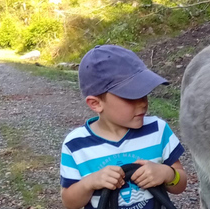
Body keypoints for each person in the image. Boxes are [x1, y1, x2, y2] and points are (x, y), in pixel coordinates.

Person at [60, 45, 187, 209]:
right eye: (131, 95)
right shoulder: (76, 145)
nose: (142, 102)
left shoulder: (158, 130)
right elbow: (69, 203)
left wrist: (167, 174)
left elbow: (180, 184)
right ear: (96, 104)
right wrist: (89, 183)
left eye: (144, 92)